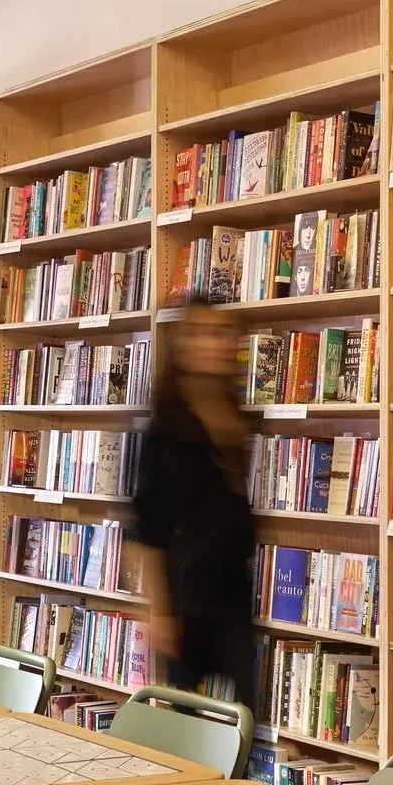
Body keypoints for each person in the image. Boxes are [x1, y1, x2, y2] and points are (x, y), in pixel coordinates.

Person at [131, 294, 256, 703]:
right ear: (182, 345)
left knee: (244, 718)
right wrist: (160, 611)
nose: (215, 344)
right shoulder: (165, 427)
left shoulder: (236, 416)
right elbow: (148, 528)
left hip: (234, 594)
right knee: (181, 718)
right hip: (185, 599)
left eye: (223, 334)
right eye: (201, 334)